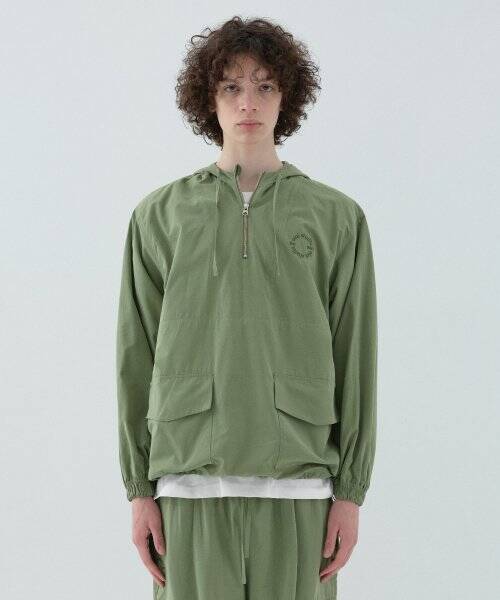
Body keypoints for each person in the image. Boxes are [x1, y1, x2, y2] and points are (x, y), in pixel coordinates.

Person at [116, 15, 378, 600]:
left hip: (300, 484)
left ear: (288, 95)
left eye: (265, 85)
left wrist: (351, 492)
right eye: (231, 87)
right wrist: (138, 489)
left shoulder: (336, 217)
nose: (248, 103)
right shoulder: (159, 216)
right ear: (208, 99)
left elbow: (355, 354)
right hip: (186, 483)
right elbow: (135, 357)